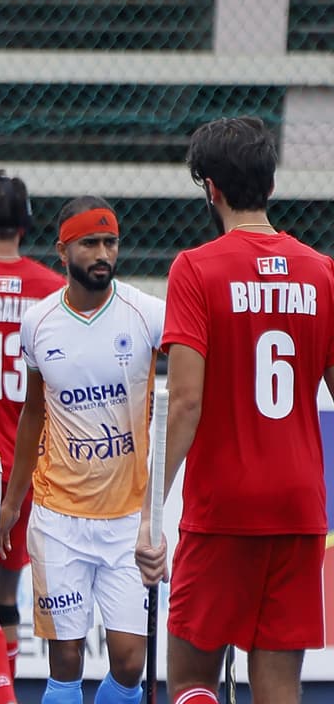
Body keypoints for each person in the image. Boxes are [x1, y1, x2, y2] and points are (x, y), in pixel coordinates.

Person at [135, 116, 334, 704]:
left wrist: (150, 510)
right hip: (299, 503)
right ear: (269, 187)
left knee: (192, 680)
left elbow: (188, 402)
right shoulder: (322, 273)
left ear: (210, 189)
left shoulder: (196, 269)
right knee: (279, 686)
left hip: (223, 506)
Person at [0, 197, 164, 704]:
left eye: (109, 242)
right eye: (89, 243)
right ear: (62, 249)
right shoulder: (39, 322)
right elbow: (32, 414)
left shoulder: (147, 315)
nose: (102, 253)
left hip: (126, 524)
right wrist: (12, 504)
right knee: (65, 659)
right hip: (58, 518)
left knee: (131, 663)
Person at [0, 170, 63, 701]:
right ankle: (10, 685)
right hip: (31, 461)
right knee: (7, 589)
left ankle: (0, 696)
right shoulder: (51, 290)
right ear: (25, 229)